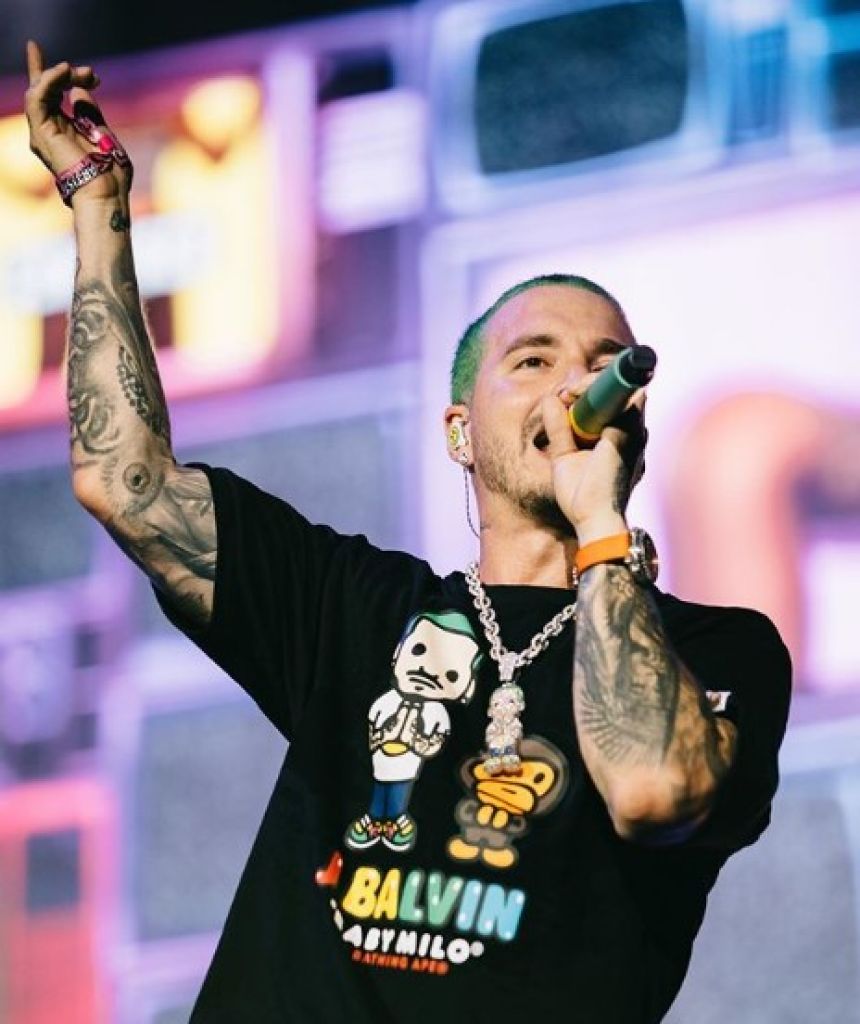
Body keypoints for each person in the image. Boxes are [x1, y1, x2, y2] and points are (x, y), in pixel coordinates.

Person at [25, 41, 792, 1023]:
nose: (574, 383)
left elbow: (652, 790)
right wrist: (97, 202)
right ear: (459, 432)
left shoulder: (719, 651)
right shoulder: (354, 607)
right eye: (533, 360)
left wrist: (600, 526)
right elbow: (125, 481)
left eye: (601, 363)